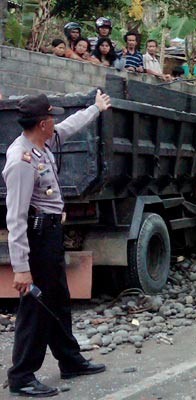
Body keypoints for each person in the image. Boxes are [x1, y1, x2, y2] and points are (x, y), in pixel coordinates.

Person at [4, 91, 111, 397]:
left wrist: (95, 109)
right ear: (42, 123)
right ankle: (22, 375)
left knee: (58, 299)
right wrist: (21, 269)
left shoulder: (42, 143)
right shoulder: (21, 159)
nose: (56, 122)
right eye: (52, 117)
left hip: (49, 235)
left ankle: (69, 359)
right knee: (35, 306)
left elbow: (70, 127)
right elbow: (16, 219)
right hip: (36, 238)